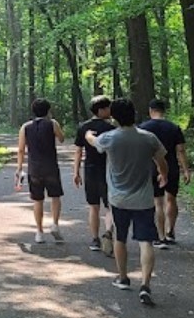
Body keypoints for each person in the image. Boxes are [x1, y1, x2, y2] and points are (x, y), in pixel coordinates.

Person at [86, 99, 168, 305]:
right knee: (146, 242)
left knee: (120, 239)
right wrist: (163, 175)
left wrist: (88, 135)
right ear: (135, 114)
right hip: (144, 199)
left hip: (118, 199)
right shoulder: (149, 138)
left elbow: (93, 142)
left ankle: (123, 278)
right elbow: (161, 160)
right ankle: (146, 285)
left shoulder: (109, 138)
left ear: (113, 116)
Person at [140, 99, 193, 245]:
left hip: (151, 167)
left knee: (158, 202)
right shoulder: (174, 127)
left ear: (151, 110)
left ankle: (160, 236)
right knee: (171, 199)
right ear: (164, 111)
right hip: (172, 167)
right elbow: (180, 150)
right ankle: (171, 231)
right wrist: (186, 170)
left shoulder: (143, 128)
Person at [14, 98, 66, 244]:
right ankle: (55, 224)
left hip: (34, 169)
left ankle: (39, 232)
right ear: (48, 111)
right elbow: (62, 139)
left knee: (38, 200)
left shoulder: (25, 127)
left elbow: (20, 149)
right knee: (55, 197)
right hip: (51, 167)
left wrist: (19, 168)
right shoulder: (53, 124)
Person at [73, 95, 114, 252]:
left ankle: (95, 240)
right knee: (109, 206)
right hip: (108, 170)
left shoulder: (84, 127)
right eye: (108, 108)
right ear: (101, 110)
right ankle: (108, 232)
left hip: (90, 169)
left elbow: (78, 151)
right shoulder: (111, 128)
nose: (110, 110)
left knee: (93, 206)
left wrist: (76, 172)